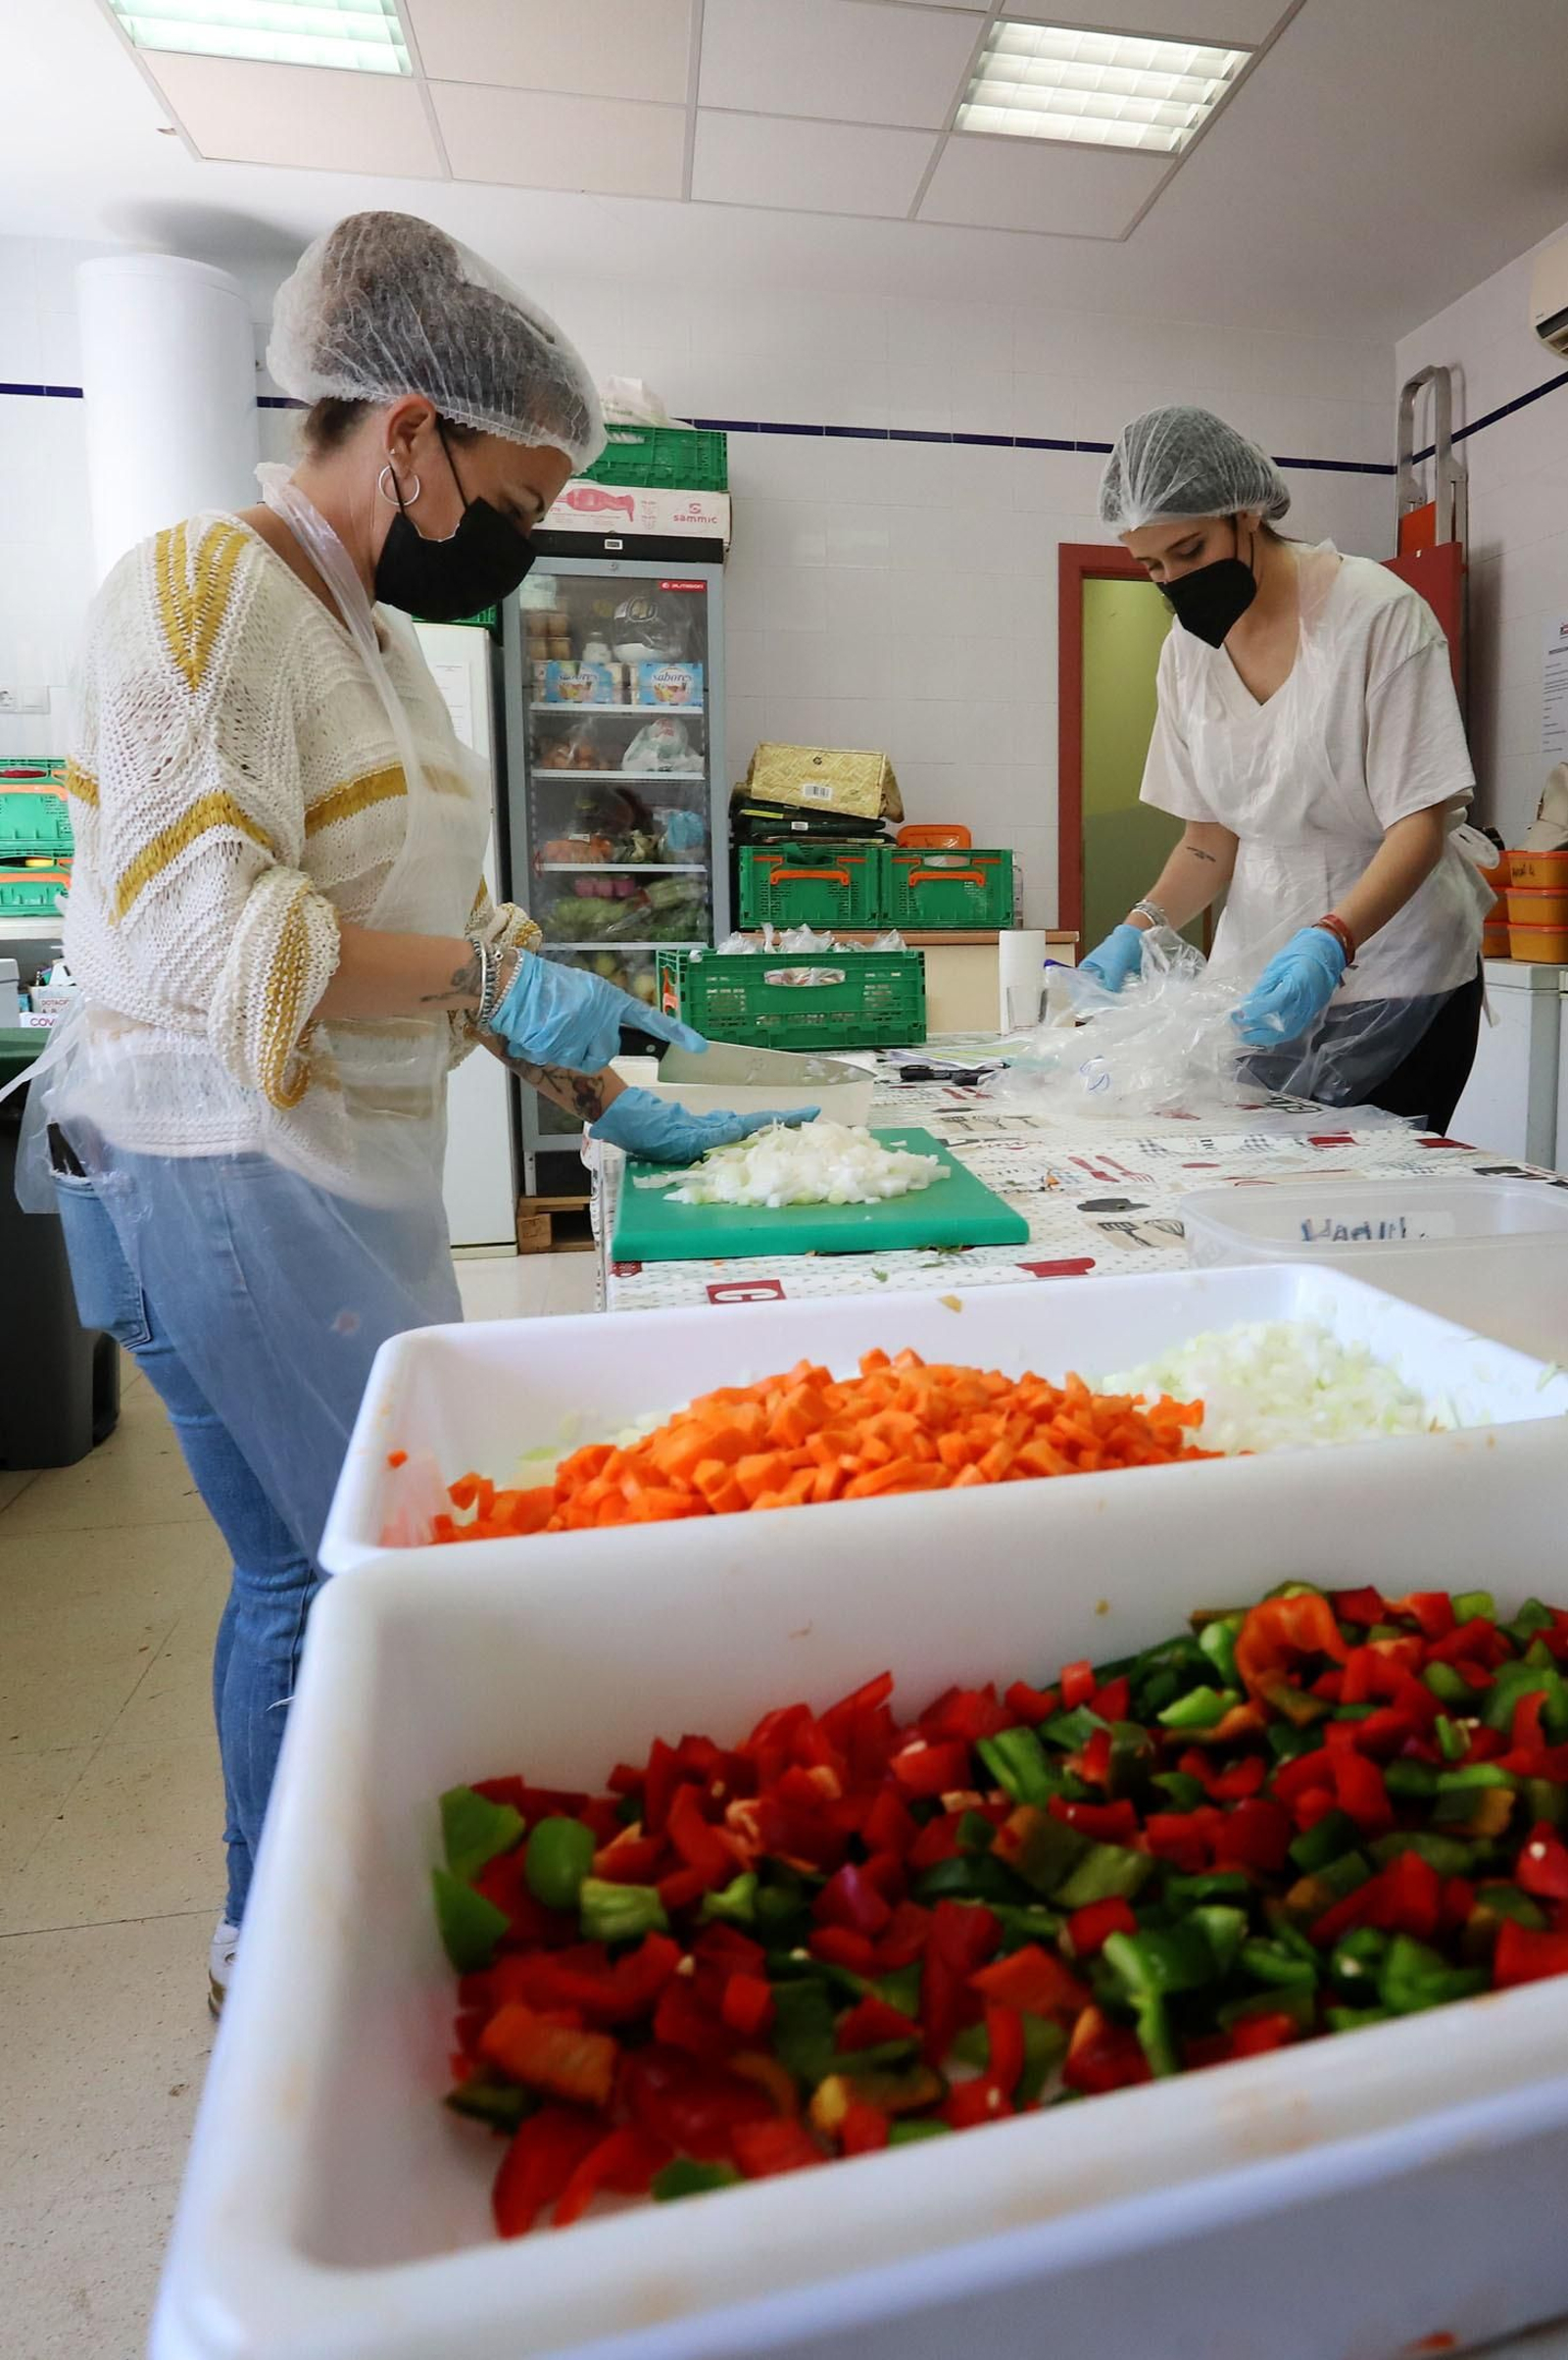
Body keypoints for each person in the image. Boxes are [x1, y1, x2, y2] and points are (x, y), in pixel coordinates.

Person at [34, 212, 806, 2010]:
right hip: (225, 1158)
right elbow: (216, 929)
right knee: (408, 1572)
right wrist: (489, 989)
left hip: (329, 1163)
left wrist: (589, 1078)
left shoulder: (368, 635)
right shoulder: (200, 592)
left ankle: (274, 1940)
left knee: (308, 1580)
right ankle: (377, 1962)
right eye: (518, 501)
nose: (524, 547)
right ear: (407, 434)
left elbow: (436, 921)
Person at [1081, 404, 1490, 1130]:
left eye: (1190, 550)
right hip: (1258, 979)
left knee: (1365, 1199)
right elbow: (1210, 840)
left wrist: (1333, 938)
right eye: (1152, 566)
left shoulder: (1376, 615)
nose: (1174, 580)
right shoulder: (1186, 654)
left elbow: (1419, 822)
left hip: (1398, 969)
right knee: (1250, 1185)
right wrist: (1139, 929)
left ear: (1246, 513)